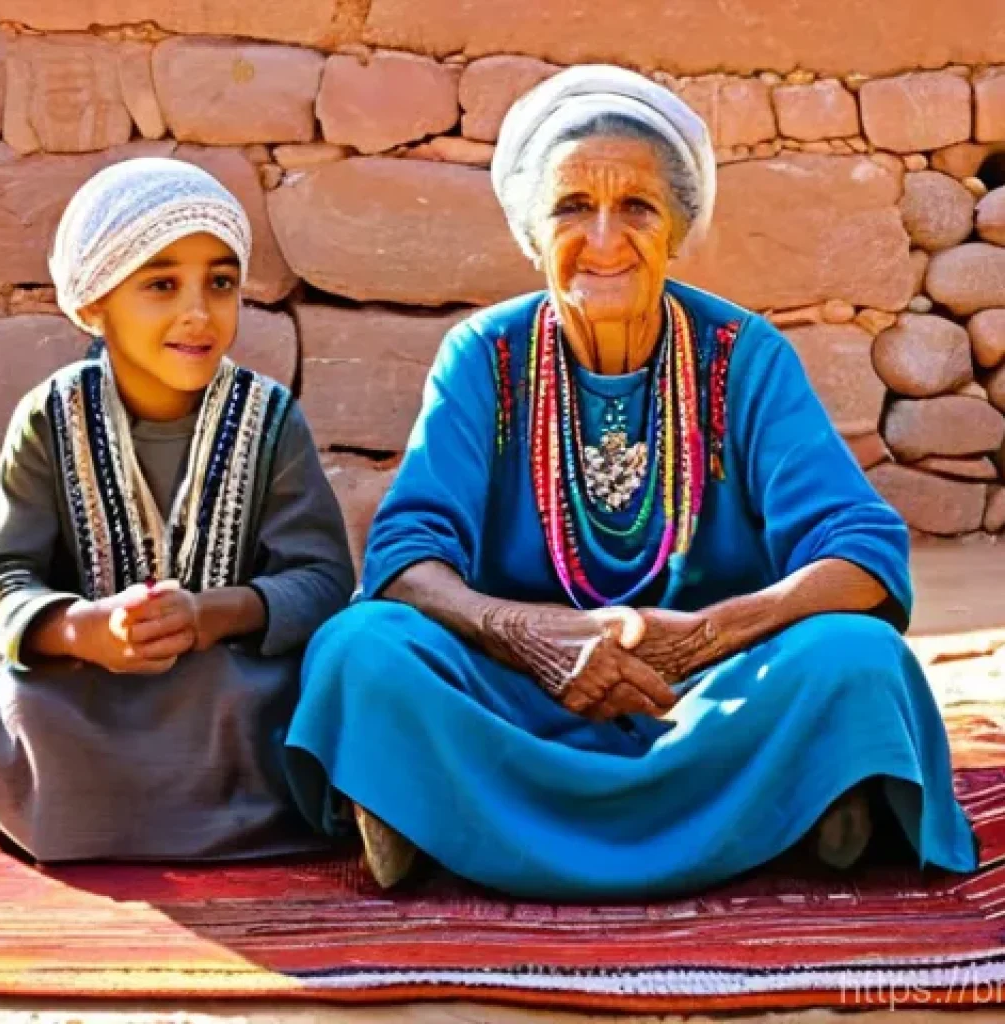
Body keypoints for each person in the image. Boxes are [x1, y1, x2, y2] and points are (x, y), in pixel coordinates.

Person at [285, 65, 978, 898]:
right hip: (518, 693)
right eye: (573, 207)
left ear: (677, 228)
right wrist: (526, 634)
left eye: (637, 208)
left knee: (857, 655)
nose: (605, 238)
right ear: (531, 234)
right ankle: (792, 804)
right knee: (361, 650)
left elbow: (863, 549)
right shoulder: (487, 357)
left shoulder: (741, 356)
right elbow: (406, 551)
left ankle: (443, 810)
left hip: (706, 696)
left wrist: (715, 631)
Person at [0, 158, 355, 861]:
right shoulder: (50, 418)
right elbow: (0, 581)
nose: (198, 312)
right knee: (26, 702)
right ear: (95, 303)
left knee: (266, 698)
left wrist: (209, 617)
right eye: (161, 284)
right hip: (89, 691)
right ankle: (82, 818)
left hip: (226, 686)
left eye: (220, 283)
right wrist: (79, 631)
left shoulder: (268, 418)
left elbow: (324, 581)